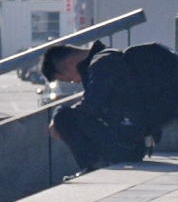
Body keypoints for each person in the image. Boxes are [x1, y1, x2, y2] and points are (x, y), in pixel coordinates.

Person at [40, 41, 153, 172]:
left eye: (70, 79)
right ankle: (93, 165)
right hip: (132, 142)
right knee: (63, 113)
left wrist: (57, 121)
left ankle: (91, 166)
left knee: (63, 116)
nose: (76, 81)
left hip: (128, 146)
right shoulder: (106, 59)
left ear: (71, 62)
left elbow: (91, 107)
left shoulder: (102, 65)